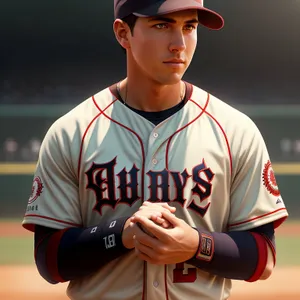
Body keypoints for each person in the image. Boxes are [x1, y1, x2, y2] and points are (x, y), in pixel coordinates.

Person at [22, 1, 289, 299]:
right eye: (162, 25)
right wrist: (120, 234)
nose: (179, 44)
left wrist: (196, 245)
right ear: (123, 33)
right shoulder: (71, 133)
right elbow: (49, 260)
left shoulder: (236, 131)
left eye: (189, 27)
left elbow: (263, 256)